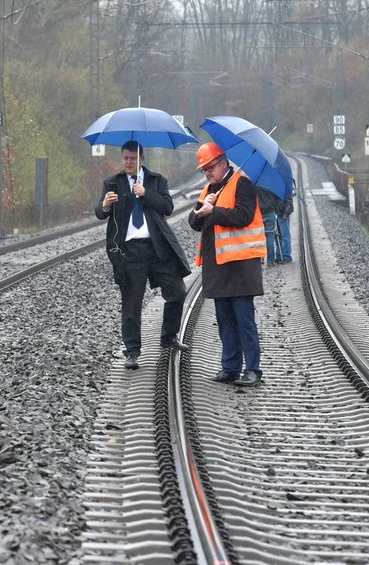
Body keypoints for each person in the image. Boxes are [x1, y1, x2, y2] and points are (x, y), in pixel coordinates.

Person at [95, 140, 191, 370]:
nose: (128, 162)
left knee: (177, 292)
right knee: (131, 304)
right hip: (129, 252)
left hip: (157, 249)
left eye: (132, 158)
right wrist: (106, 204)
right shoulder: (113, 183)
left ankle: (168, 337)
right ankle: (132, 351)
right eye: (125, 158)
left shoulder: (157, 181)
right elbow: (99, 213)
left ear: (142, 159)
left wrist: (146, 194)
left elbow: (167, 207)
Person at [187, 142, 267, 387]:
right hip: (219, 267)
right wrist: (201, 211)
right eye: (204, 170)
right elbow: (194, 221)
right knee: (224, 320)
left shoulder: (242, 184)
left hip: (241, 266)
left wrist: (214, 210)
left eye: (210, 167)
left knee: (244, 320)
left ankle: (253, 369)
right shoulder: (210, 189)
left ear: (223, 163)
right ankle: (230, 367)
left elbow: (243, 216)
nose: (207, 173)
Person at [255, 186, 282, 266]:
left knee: (258, 236)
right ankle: (270, 261)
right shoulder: (271, 184)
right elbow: (276, 198)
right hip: (270, 212)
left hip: (258, 212)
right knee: (269, 236)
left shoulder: (255, 184)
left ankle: (260, 259)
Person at [277, 183, 294, 263]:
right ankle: (279, 255)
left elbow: (289, 201)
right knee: (277, 236)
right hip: (276, 213)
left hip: (282, 214)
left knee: (284, 235)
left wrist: (285, 214)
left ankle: (286, 256)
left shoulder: (285, 184)